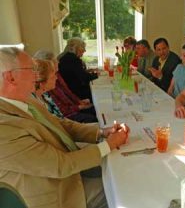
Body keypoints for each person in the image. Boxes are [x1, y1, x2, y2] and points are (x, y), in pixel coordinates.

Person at [0, 47, 129, 208]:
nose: (36, 74)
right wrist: (109, 144)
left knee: (122, 167)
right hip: (60, 194)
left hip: (70, 169)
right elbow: (60, 165)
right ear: (11, 78)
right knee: (124, 188)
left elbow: (60, 124)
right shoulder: (3, 128)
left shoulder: (26, 99)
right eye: (31, 69)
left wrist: (102, 132)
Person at [33, 50, 98, 122]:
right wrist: (79, 107)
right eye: (55, 61)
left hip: (70, 111)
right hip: (69, 115)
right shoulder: (46, 90)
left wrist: (78, 101)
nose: (58, 62)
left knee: (96, 110)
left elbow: (67, 91)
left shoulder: (56, 75)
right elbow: (62, 114)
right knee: (94, 116)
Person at [58, 37, 99, 102]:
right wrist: (97, 74)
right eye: (83, 48)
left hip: (69, 90)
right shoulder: (73, 60)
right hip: (76, 93)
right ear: (75, 48)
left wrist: (87, 71)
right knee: (98, 92)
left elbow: (74, 73)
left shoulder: (64, 57)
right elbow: (84, 78)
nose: (84, 50)